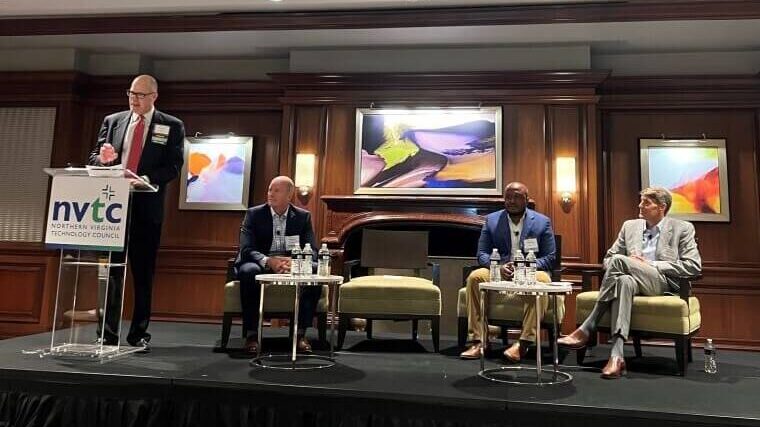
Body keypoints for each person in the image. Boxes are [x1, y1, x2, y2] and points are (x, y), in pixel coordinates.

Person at [558, 187, 702, 379]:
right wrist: (630, 264)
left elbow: (693, 266)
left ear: (662, 207)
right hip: (632, 282)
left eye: (646, 202)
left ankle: (588, 326)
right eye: (640, 201)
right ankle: (616, 357)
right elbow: (608, 259)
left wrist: (650, 264)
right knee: (624, 280)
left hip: (663, 285)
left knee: (620, 261)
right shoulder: (630, 226)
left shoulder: (682, 228)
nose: (639, 205)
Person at [88, 74, 185, 352]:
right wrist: (103, 159)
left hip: (146, 206)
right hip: (111, 209)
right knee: (111, 273)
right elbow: (95, 157)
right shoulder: (113, 121)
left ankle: (138, 334)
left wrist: (143, 177)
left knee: (143, 273)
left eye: (140, 95)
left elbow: (173, 167)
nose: (134, 99)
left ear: (154, 96)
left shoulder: (171, 126)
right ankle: (106, 335)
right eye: (131, 93)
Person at [460, 182, 558, 362]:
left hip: (531, 271)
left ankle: (524, 343)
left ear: (527, 199)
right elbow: (481, 254)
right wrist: (497, 266)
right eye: (508, 197)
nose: (511, 201)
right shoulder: (492, 220)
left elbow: (551, 257)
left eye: (517, 197)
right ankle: (479, 341)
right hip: (500, 269)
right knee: (475, 277)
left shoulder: (542, 222)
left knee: (542, 279)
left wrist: (526, 266)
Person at [234, 176, 321, 354]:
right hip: (261, 262)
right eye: (269, 190)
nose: (271, 194)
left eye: (276, 190)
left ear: (289, 196)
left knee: (313, 270)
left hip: (291, 265)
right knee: (249, 271)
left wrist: (295, 261)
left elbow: (312, 249)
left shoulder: (303, 217)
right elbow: (246, 248)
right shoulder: (254, 214)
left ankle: (300, 334)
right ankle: (252, 335)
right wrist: (269, 261)